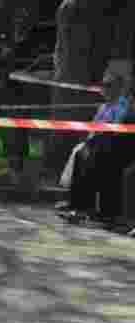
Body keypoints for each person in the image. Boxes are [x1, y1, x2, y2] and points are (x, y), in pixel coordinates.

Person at [58, 70, 135, 222]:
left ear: (119, 87)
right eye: (103, 85)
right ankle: (76, 204)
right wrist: (87, 143)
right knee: (81, 155)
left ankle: (87, 208)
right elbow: (94, 128)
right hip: (100, 144)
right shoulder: (103, 107)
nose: (104, 89)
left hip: (117, 147)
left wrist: (93, 144)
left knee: (95, 159)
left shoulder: (123, 106)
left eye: (108, 85)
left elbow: (116, 130)